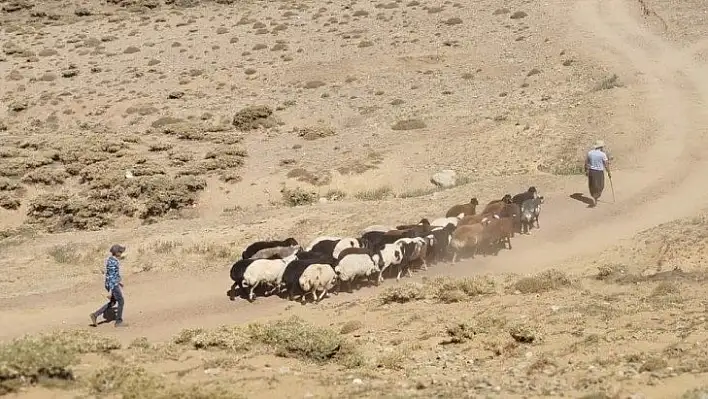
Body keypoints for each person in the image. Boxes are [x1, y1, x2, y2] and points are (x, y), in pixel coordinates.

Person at [90, 244, 126, 327]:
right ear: (116, 253)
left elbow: (110, 274)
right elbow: (111, 276)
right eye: (120, 252)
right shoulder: (113, 262)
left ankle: (95, 315)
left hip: (112, 284)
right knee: (121, 301)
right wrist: (114, 286)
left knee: (113, 302)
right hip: (113, 285)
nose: (121, 253)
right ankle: (118, 322)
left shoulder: (111, 260)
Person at [584, 140, 611, 207]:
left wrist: (586, 170)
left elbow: (586, 162)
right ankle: (596, 197)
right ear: (601, 147)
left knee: (592, 185)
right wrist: (609, 172)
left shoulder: (590, 153)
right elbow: (606, 164)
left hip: (592, 171)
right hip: (599, 172)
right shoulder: (602, 154)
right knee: (601, 186)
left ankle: (594, 197)